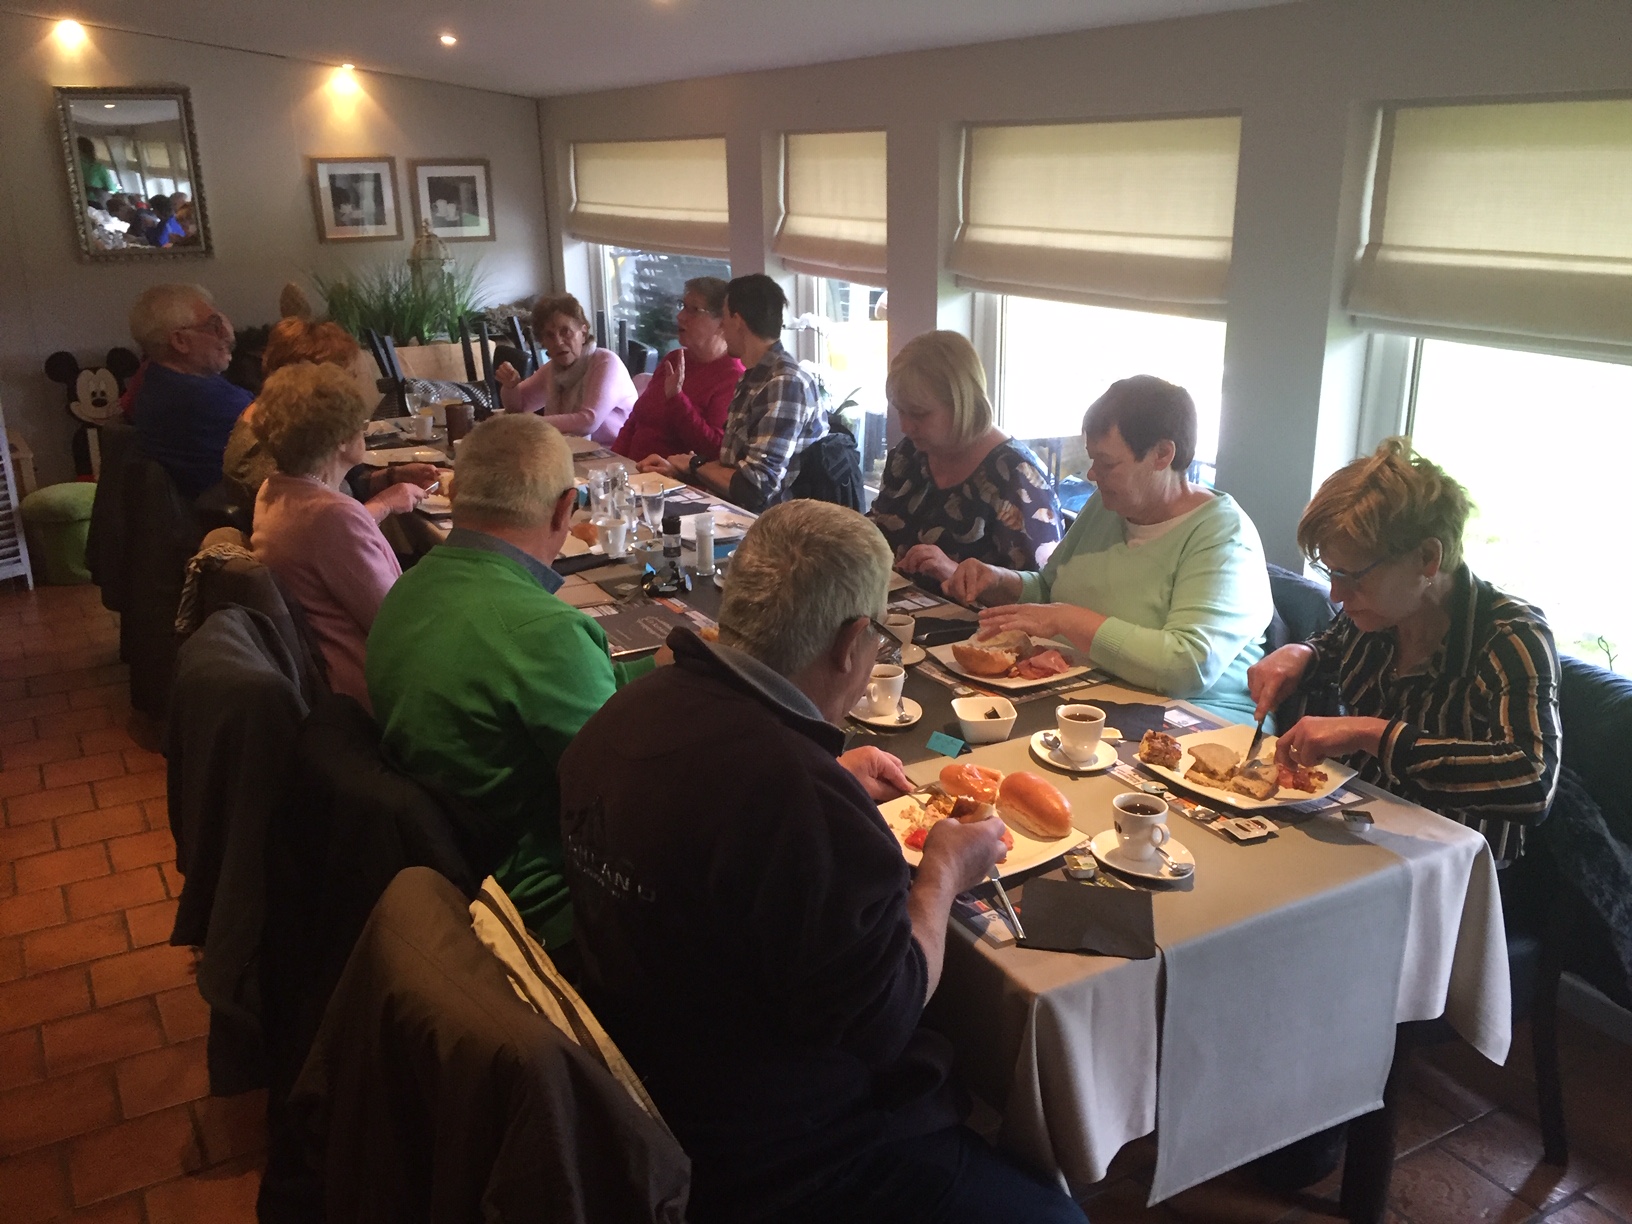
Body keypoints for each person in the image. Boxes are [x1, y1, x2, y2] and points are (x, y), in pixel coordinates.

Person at [558, 500, 1088, 1224]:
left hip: (643, 1089)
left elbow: (723, 816)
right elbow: (891, 1013)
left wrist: (824, 779)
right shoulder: (795, 798)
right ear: (853, 641)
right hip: (780, 1162)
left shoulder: (626, 711)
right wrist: (942, 873)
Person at [366, 414, 661, 953]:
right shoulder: (547, 632)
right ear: (564, 508)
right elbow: (633, 800)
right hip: (545, 903)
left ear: (456, 493)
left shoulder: (406, 589)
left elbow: (565, 697)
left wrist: (661, 670)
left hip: (449, 870)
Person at [1249, 438, 1561, 861]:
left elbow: (1532, 782)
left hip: (1452, 863)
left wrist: (1371, 733)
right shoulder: (1376, 614)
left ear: (1427, 558)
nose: (1337, 595)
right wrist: (1302, 654)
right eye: (1330, 573)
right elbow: (1333, 644)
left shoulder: (1511, 637)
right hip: (1359, 829)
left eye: (1352, 576)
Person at [947, 375, 1272, 724]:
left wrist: (1068, 619)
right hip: (1089, 698)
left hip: (1195, 719)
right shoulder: (1108, 506)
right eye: (1092, 460)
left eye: (1107, 463)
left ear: (1162, 454)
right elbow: (1049, 590)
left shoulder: (1224, 536)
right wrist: (998, 580)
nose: (1092, 474)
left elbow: (1188, 666)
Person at [249, 364, 403, 709]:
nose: (364, 431)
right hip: (371, 685)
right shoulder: (332, 515)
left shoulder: (273, 490)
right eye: (361, 424)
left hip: (329, 674)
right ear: (341, 440)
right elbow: (395, 623)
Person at [869, 330, 1062, 584]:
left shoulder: (1016, 478)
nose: (905, 426)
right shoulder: (910, 454)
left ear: (963, 405)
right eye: (900, 411)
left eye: (918, 414)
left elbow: (1042, 591)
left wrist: (956, 573)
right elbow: (877, 528)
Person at [638, 273, 827, 511]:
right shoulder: (753, 377)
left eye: (724, 317)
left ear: (737, 321)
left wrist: (694, 465)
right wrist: (682, 470)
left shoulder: (785, 384)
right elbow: (733, 468)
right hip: (729, 511)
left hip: (768, 523)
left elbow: (755, 488)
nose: (722, 327)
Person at [222, 317, 434, 518]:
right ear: (309, 381)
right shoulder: (267, 453)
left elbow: (337, 488)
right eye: (346, 377)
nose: (353, 387)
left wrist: (392, 477)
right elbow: (313, 525)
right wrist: (383, 505)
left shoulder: (285, 423)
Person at [127, 283, 254, 499]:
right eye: (213, 325)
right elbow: (288, 430)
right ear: (180, 341)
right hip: (244, 507)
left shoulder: (156, 381)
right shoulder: (202, 397)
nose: (226, 334)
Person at [612, 276, 744, 462]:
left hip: (671, 475)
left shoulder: (732, 376)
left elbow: (714, 449)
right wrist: (614, 463)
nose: (680, 316)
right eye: (683, 306)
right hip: (634, 470)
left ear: (722, 322)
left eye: (694, 310)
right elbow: (636, 421)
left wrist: (677, 400)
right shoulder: (674, 359)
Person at [495, 293, 636, 446]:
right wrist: (511, 386)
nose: (558, 342)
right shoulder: (553, 369)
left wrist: (531, 424)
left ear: (583, 333)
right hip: (577, 451)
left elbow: (588, 421)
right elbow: (519, 406)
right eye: (549, 336)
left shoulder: (606, 362)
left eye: (565, 331)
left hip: (618, 453)